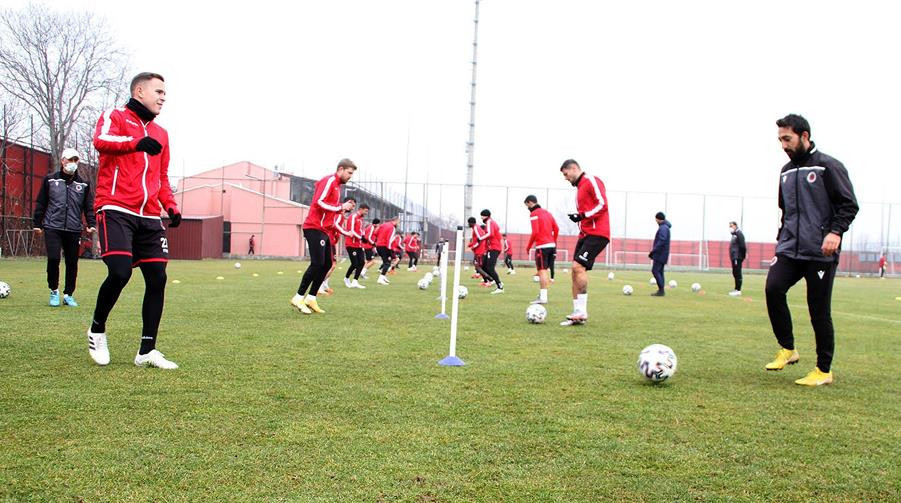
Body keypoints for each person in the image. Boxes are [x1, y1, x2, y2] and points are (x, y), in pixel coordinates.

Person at [87, 72, 182, 369]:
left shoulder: (162, 134)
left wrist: (170, 205)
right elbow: (101, 141)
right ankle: (97, 330)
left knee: (158, 278)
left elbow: (161, 176)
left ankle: (146, 351)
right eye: (159, 91)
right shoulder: (114, 116)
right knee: (119, 272)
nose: (163, 97)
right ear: (139, 91)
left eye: (165, 92)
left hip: (150, 215)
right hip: (115, 208)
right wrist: (136, 142)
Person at [764, 114, 858, 386]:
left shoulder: (828, 166)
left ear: (804, 136)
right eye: (780, 140)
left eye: (787, 139)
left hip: (820, 252)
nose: (783, 145)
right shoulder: (786, 171)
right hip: (789, 248)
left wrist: (835, 232)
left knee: (818, 309)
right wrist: (782, 238)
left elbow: (849, 205)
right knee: (773, 289)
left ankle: (823, 370)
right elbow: (786, 211)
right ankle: (788, 348)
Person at [291, 159, 357, 314]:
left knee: (327, 264)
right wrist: (341, 206)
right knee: (317, 263)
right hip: (314, 227)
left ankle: (311, 298)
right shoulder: (329, 181)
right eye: (349, 173)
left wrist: (340, 214)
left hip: (325, 230)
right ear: (340, 169)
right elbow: (319, 202)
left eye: (352, 174)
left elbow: (330, 212)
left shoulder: (337, 186)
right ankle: (298, 297)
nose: (350, 176)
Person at [33, 147, 96, 307]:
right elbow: (41, 202)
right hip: (52, 226)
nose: (72, 163)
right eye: (69, 160)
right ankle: (54, 290)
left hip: (74, 229)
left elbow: (88, 206)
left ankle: (68, 294)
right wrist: (37, 223)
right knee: (54, 259)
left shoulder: (83, 184)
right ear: (62, 161)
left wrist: (91, 223)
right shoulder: (50, 180)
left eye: (75, 160)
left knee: (72, 262)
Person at [560, 159, 610, 326]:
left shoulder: (591, 180)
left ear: (574, 168)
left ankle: (582, 312)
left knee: (578, 267)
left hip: (598, 233)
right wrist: (579, 218)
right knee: (574, 271)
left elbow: (602, 204)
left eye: (566, 174)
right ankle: (577, 313)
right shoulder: (580, 188)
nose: (566, 178)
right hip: (585, 234)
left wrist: (583, 215)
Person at [524, 194, 558, 304]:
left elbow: (535, 232)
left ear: (530, 202)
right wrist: (554, 242)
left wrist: (528, 246)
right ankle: (542, 295)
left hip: (542, 246)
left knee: (542, 271)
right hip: (551, 246)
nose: (528, 208)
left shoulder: (534, 214)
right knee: (543, 271)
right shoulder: (548, 213)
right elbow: (556, 229)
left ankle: (543, 297)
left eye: (527, 206)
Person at [343, 203, 369, 288]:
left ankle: (355, 281)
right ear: (361, 209)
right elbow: (351, 230)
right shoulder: (353, 217)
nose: (366, 213)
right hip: (351, 244)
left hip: (359, 245)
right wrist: (361, 237)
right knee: (354, 264)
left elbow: (361, 230)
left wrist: (363, 236)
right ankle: (346, 278)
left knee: (362, 262)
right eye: (365, 211)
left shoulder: (361, 219)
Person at [649, 211, 671, 297]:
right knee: (660, 271)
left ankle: (661, 290)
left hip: (660, 253)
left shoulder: (663, 228)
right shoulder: (665, 227)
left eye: (656, 219)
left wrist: (654, 251)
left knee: (655, 271)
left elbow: (662, 240)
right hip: (663, 253)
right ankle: (661, 290)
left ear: (658, 219)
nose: (656, 221)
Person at [375, 215, 399, 285]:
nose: (398, 223)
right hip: (385, 247)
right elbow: (389, 240)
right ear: (396, 221)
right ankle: (380, 279)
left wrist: (380, 239)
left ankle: (383, 277)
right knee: (387, 263)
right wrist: (390, 251)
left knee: (387, 262)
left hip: (378, 246)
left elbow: (375, 233)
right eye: (398, 222)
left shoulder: (383, 224)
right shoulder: (392, 227)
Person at [728, 221, 747, 295]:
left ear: (735, 226)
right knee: (735, 272)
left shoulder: (739, 234)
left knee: (737, 272)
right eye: (729, 226)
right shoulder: (734, 235)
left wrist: (743, 255)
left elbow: (742, 246)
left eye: (731, 226)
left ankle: (738, 290)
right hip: (734, 256)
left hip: (737, 256)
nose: (730, 228)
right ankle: (736, 289)